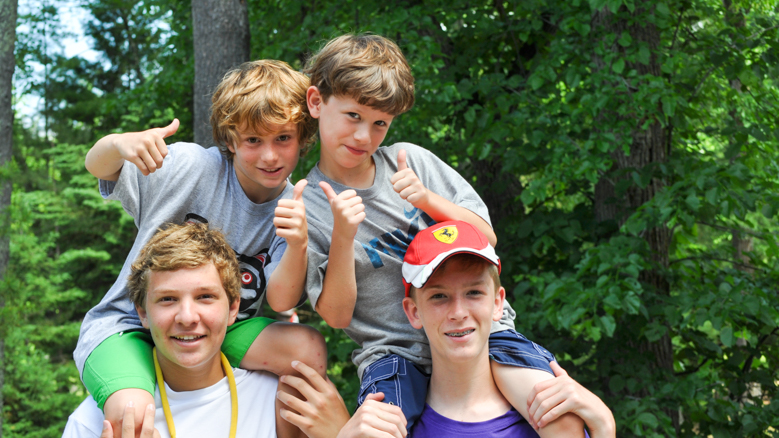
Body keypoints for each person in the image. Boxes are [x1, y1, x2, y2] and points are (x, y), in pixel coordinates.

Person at [274, 32, 573, 434]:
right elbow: (335, 314)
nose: (365, 136)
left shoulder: (409, 162)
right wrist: (344, 237)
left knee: (558, 413)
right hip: (395, 354)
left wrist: (428, 199)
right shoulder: (306, 204)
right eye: (353, 116)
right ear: (316, 102)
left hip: (483, 332)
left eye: (380, 123)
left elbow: (486, 237)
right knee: (379, 429)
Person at [74, 59, 327, 437]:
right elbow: (99, 167)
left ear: (303, 137)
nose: (270, 156)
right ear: (229, 139)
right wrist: (117, 145)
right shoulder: (189, 167)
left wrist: (297, 244)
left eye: (283, 139)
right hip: (130, 324)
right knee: (134, 412)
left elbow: (280, 299)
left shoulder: (294, 207)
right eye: (253, 140)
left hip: (222, 328)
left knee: (306, 349)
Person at [64, 223, 310, 438]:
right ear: (142, 313)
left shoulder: (277, 398)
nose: (187, 317)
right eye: (168, 299)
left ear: (233, 307)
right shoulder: (96, 423)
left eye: (205, 297)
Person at [400, 221, 616, 437]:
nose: (458, 312)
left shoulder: (550, 417)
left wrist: (604, 425)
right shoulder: (392, 428)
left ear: (497, 303)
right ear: (414, 312)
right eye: (439, 296)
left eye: (473, 292)